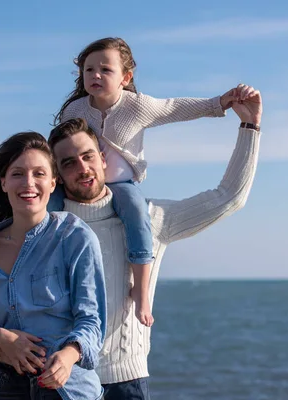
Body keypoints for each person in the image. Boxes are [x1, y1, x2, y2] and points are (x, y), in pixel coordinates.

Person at [47, 84, 263, 399]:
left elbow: (229, 197)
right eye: (68, 163)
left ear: (104, 157)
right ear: (58, 173)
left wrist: (250, 126)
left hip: (127, 383)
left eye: (87, 156)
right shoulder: (46, 226)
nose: (82, 168)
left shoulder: (150, 219)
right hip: (63, 382)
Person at [48, 37, 254, 328]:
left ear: (126, 77)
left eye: (105, 70)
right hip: (80, 185)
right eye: (89, 70)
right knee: (49, 208)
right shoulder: (75, 110)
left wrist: (219, 103)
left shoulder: (137, 106)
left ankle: (141, 289)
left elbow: (175, 108)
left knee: (137, 215)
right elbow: (59, 145)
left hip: (120, 183)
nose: (95, 75)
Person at [0, 132, 106, 400]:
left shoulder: (74, 237)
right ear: (3, 182)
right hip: (2, 386)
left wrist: (68, 356)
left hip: (68, 389)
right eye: (17, 173)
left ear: (53, 182)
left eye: (39, 173)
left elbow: (92, 319)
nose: (28, 183)